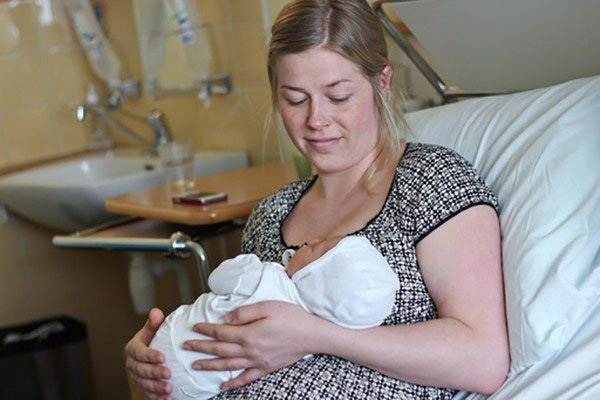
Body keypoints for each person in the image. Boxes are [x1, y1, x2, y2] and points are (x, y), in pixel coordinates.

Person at [125, 0, 510, 398]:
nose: (316, 120)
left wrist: (315, 335)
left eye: (338, 96)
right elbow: (229, 348)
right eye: (295, 99)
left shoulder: (430, 181)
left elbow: (483, 358)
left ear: (382, 83)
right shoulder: (270, 215)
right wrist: (164, 360)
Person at [150, 235, 398, 399]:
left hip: (173, 345)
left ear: (312, 275)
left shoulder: (266, 278)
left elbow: (217, 279)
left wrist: (250, 264)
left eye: (316, 248)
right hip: (199, 386)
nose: (312, 240)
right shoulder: (308, 343)